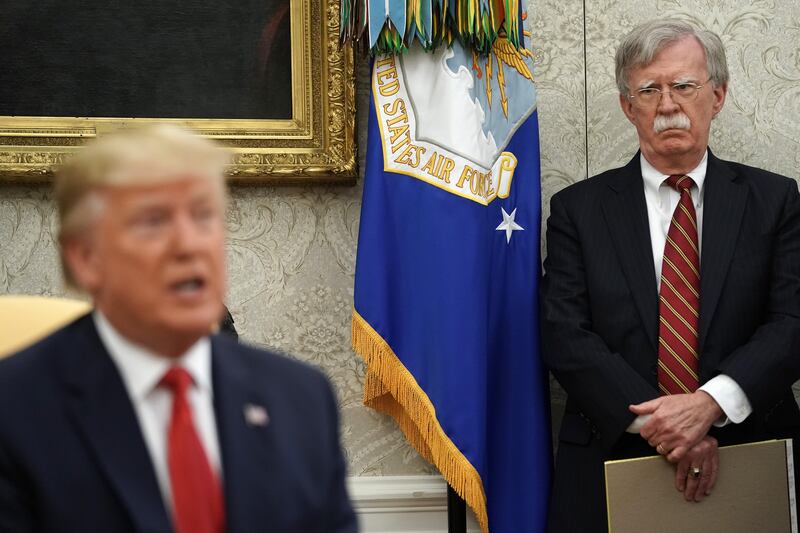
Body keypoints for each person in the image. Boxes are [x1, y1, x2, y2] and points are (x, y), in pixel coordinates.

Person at [0, 125, 357, 533]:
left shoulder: (301, 399)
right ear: (85, 258)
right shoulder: (14, 413)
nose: (189, 245)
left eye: (204, 216)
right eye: (153, 222)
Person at [541, 19, 800, 532]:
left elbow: (792, 323)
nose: (667, 105)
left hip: (752, 461)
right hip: (611, 458)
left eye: (684, 85)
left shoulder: (775, 201)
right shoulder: (577, 209)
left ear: (718, 95)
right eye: (649, 89)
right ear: (626, 105)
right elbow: (564, 334)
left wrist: (709, 406)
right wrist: (666, 426)